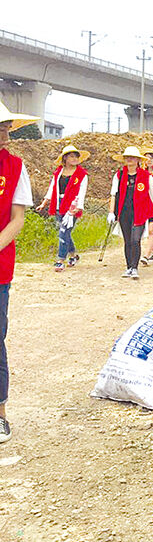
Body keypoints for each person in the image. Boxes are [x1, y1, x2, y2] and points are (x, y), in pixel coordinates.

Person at [0, 104, 37, 443]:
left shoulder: (14, 167)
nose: (6, 134)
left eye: (8, 127)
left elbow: (18, 218)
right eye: (1, 127)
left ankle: (0, 412)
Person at [107, 147, 153, 279]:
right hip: (124, 212)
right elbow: (113, 194)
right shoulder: (119, 175)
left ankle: (135, 267)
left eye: (132, 157)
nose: (129, 159)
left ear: (137, 160)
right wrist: (111, 212)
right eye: (127, 157)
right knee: (127, 241)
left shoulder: (145, 176)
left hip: (139, 212)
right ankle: (128, 267)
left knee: (135, 239)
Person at [37, 144, 90, 272]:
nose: (74, 158)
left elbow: (82, 191)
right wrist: (44, 203)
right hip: (58, 204)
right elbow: (52, 188)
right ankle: (73, 255)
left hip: (72, 205)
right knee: (64, 231)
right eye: (71, 156)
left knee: (64, 231)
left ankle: (60, 260)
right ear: (65, 158)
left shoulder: (82, 174)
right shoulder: (58, 173)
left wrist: (78, 207)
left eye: (76, 156)